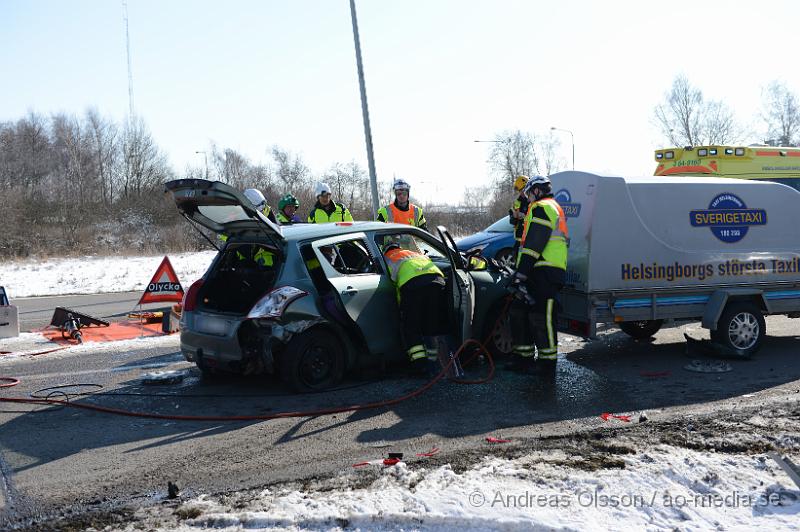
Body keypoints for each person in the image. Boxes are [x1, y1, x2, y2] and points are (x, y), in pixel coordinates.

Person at [508, 175, 569, 383]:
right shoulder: (547, 207)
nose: (528, 197)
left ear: (536, 191)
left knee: (542, 318)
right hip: (539, 270)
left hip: (546, 271)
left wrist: (521, 273)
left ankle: (547, 365)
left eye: (529, 192)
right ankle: (523, 359)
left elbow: (534, 244)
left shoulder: (543, 207)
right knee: (524, 313)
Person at [382, 240, 448, 376]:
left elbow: (392, 283)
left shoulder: (388, 258)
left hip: (413, 285)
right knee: (431, 323)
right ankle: (434, 363)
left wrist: (402, 307)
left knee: (411, 326)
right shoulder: (413, 253)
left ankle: (420, 366)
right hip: (437, 282)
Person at [509, 175, 530, 256]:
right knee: (517, 257)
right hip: (520, 239)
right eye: (520, 190)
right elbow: (512, 222)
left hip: (531, 239)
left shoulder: (534, 202)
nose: (522, 192)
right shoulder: (517, 202)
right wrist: (514, 216)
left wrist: (525, 216)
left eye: (523, 189)